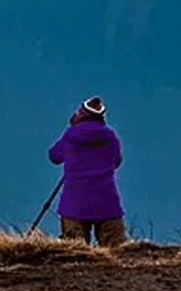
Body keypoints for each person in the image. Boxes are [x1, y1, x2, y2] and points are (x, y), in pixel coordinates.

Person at [48, 96, 125, 246]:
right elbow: (117, 161)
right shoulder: (110, 136)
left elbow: (54, 156)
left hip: (74, 204)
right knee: (117, 251)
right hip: (106, 202)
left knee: (74, 253)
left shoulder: (71, 135)